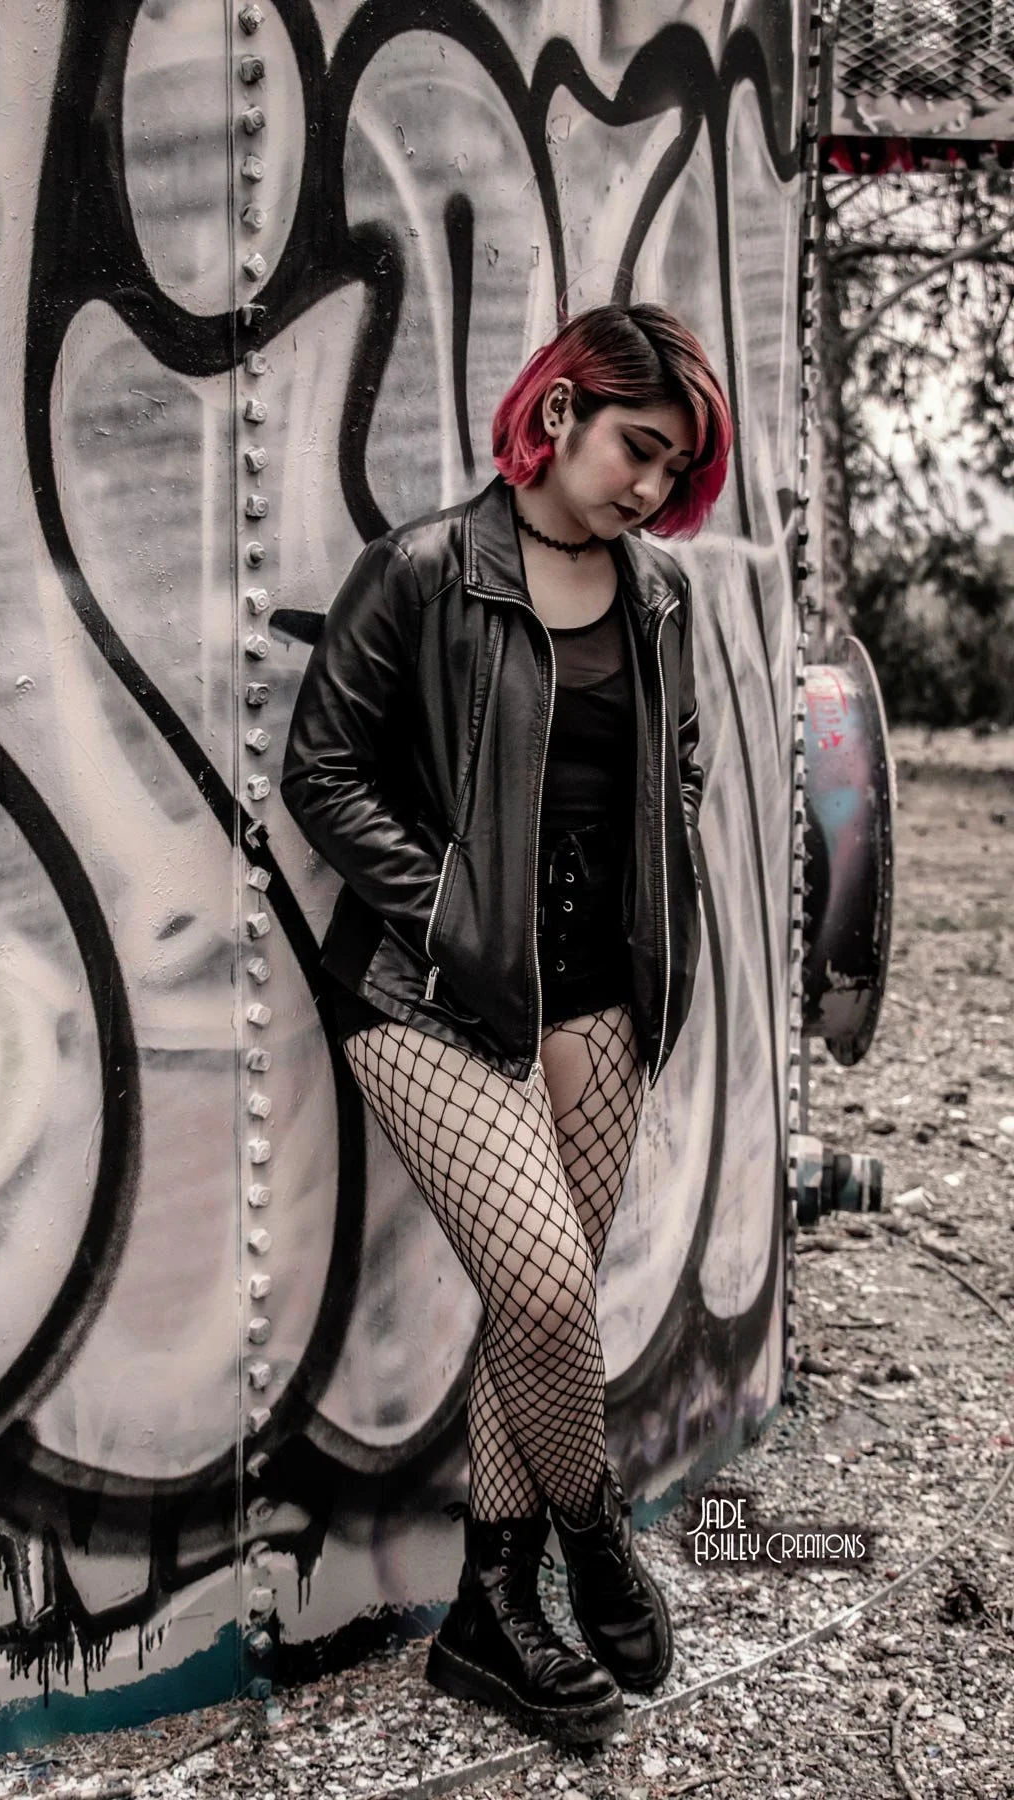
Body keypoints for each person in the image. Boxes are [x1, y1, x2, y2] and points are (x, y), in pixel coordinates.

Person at [281, 301, 732, 1746]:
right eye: (637, 451)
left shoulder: (658, 595)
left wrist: (653, 918)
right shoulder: (422, 572)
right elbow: (321, 773)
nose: (652, 491)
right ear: (556, 416)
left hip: (599, 997)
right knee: (544, 1291)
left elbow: (676, 770)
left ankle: (491, 1608)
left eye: (673, 471)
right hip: (425, 992)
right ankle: (594, 1535)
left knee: (534, 1315)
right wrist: (457, 917)